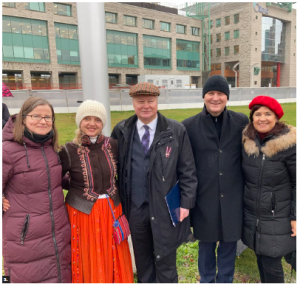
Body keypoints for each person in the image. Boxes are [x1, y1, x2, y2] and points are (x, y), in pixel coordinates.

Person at [111, 82, 197, 283]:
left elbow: (188, 170)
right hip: (135, 207)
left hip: (166, 206)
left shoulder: (176, 130)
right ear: (133, 103)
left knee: (166, 258)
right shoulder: (122, 130)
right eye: (140, 101)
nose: (146, 106)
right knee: (143, 260)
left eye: (150, 101)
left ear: (157, 101)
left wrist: (186, 203)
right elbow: (112, 166)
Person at [182, 75, 249, 283]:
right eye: (211, 93)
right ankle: (207, 279)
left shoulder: (240, 121)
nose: (215, 98)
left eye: (220, 93)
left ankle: (225, 280)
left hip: (232, 197)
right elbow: (185, 165)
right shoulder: (189, 126)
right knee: (206, 245)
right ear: (204, 96)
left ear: (227, 97)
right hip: (205, 198)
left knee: (229, 244)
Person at [59, 100, 134, 283]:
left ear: (103, 123)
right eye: (87, 118)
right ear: (80, 121)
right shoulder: (68, 149)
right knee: (88, 253)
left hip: (111, 209)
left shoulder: (114, 145)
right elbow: (57, 178)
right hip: (82, 212)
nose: (92, 123)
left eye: (97, 119)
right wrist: (78, 185)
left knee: (113, 252)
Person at [2, 97, 71, 283]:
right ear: (23, 118)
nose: (43, 121)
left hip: (58, 234)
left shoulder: (52, 148)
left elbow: (56, 180)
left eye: (48, 117)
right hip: (27, 240)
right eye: (36, 116)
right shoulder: (7, 151)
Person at [241, 96, 296, 283]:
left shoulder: (289, 145)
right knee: (261, 260)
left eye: (267, 114)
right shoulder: (248, 143)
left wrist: (295, 216)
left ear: (276, 117)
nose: (262, 118)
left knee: (271, 266)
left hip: (277, 216)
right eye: (257, 114)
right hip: (253, 216)